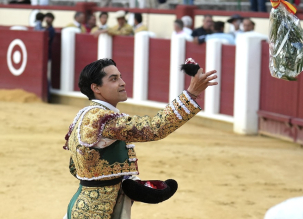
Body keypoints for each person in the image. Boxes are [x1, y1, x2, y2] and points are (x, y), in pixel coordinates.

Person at [63, 58, 217, 218]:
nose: (122, 83)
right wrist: (191, 94)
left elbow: (77, 167)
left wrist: (126, 184)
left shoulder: (86, 114)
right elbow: (154, 128)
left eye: (120, 77)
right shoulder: (103, 119)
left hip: (88, 207)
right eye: (113, 79)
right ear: (96, 88)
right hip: (94, 213)